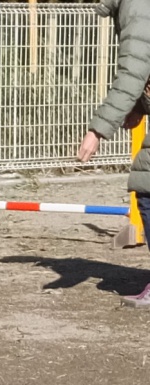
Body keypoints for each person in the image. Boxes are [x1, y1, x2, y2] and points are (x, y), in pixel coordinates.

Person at [78, 0, 150, 306]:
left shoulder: (137, 6)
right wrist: (139, 107)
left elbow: (134, 71)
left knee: (148, 192)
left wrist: (97, 130)